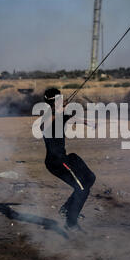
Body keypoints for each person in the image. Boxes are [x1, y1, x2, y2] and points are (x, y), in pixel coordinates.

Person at [40, 88, 96, 231]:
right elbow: (43, 126)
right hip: (56, 162)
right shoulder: (48, 116)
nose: (64, 101)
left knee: (90, 178)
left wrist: (86, 122)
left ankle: (66, 208)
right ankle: (71, 223)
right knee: (82, 189)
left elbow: (71, 118)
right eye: (61, 99)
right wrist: (57, 112)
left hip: (65, 157)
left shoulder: (61, 114)